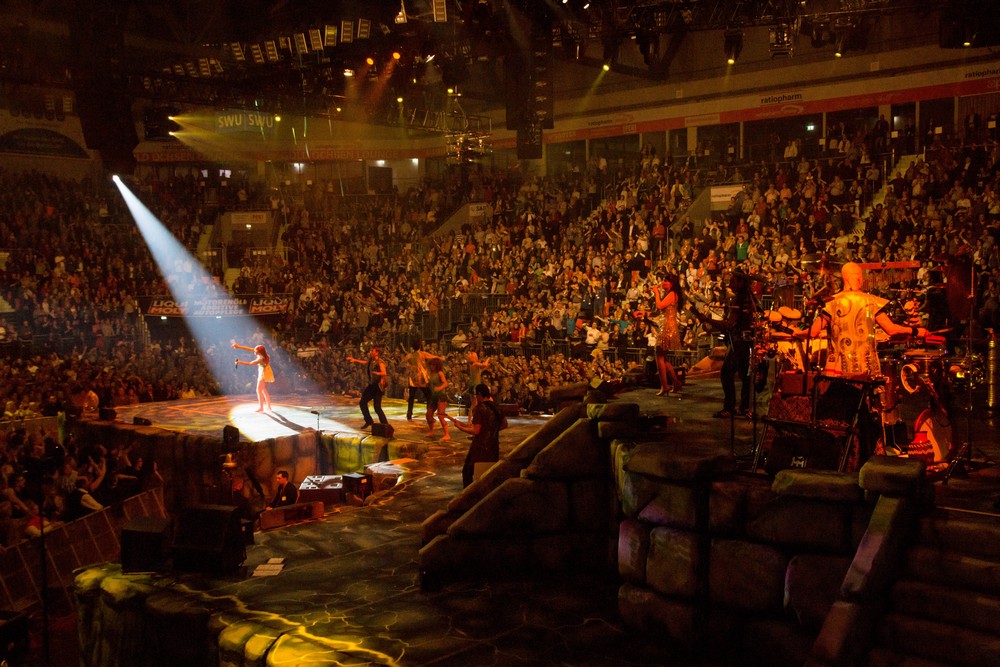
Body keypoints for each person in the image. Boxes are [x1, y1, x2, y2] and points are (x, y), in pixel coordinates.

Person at [794, 262, 929, 378]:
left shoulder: (831, 303)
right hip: (866, 367)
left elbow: (813, 332)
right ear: (858, 278)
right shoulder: (872, 302)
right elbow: (891, 329)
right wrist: (916, 331)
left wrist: (796, 333)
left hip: (838, 369)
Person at [691, 269, 758, 419]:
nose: (730, 283)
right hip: (747, 341)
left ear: (741, 282)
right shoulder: (749, 297)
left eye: (733, 280)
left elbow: (728, 324)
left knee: (726, 373)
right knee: (745, 376)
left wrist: (707, 320)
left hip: (739, 343)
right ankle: (744, 408)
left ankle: (729, 408)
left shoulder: (740, 298)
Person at [448, 383, 508, 487]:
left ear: (479, 394)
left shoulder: (480, 409)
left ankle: (469, 494)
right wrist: (490, 431)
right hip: (493, 446)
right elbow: (504, 424)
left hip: (480, 448)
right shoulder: (496, 407)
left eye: (476, 395)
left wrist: (460, 427)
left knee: (467, 472)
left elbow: (476, 431)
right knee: (488, 473)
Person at [651, 273, 684, 396]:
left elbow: (660, 305)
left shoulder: (672, 294)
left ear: (672, 283)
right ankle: (676, 382)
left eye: (665, 281)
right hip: (669, 325)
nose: (663, 283)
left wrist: (656, 292)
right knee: (662, 357)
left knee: (659, 355)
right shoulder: (672, 294)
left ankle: (665, 386)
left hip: (667, 327)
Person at [347, 346, 388, 429]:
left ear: (377, 353)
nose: (370, 352)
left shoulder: (380, 362)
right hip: (371, 386)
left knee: (377, 408)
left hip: (377, 387)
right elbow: (365, 362)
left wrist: (377, 373)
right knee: (362, 402)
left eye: (372, 351)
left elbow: (384, 373)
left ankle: (385, 425)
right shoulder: (371, 361)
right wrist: (355, 360)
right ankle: (369, 421)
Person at [403, 341, 439, 421]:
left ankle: (409, 414)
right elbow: (433, 357)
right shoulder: (423, 354)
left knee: (411, 397)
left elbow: (402, 362)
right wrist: (441, 358)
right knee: (428, 396)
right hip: (422, 379)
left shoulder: (409, 355)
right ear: (420, 346)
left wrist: (409, 366)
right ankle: (429, 414)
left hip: (413, 379)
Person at [233, 342, 275, 412]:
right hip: (264, 372)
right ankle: (268, 406)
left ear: (259, 352)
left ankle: (261, 407)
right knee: (263, 390)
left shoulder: (261, 358)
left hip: (264, 374)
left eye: (256, 351)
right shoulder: (262, 353)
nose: (254, 352)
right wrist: (238, 346)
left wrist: (240, 362)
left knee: (259, 390)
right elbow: (249, 349)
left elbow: (250, 363)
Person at [425, 356, 452, 441]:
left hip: (441, 396)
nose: (432, 366)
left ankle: (447, 434)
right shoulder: (431, 373)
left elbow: (445, 383)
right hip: (434, 396)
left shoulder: (440, 373)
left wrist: (439, 388)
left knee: (441, 415)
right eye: (431, 365)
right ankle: (431, 431)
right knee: (428, 414)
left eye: (433, 365)